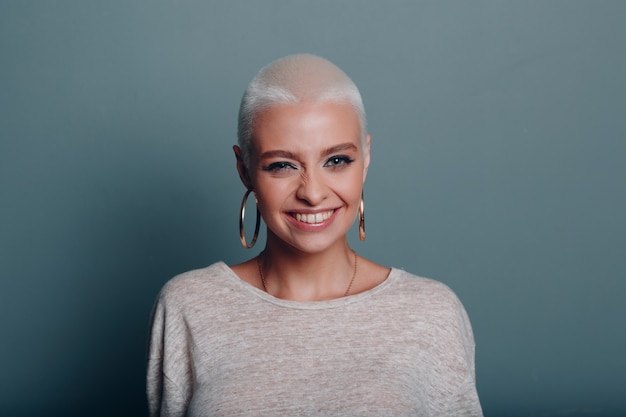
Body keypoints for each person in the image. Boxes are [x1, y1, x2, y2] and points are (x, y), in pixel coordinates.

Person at [146, 54, 483, 416]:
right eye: (282, 165)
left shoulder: (431, 313)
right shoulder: (189, 306)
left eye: (336, 160)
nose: (312, 192)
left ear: (366, 157)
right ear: (244, 169)